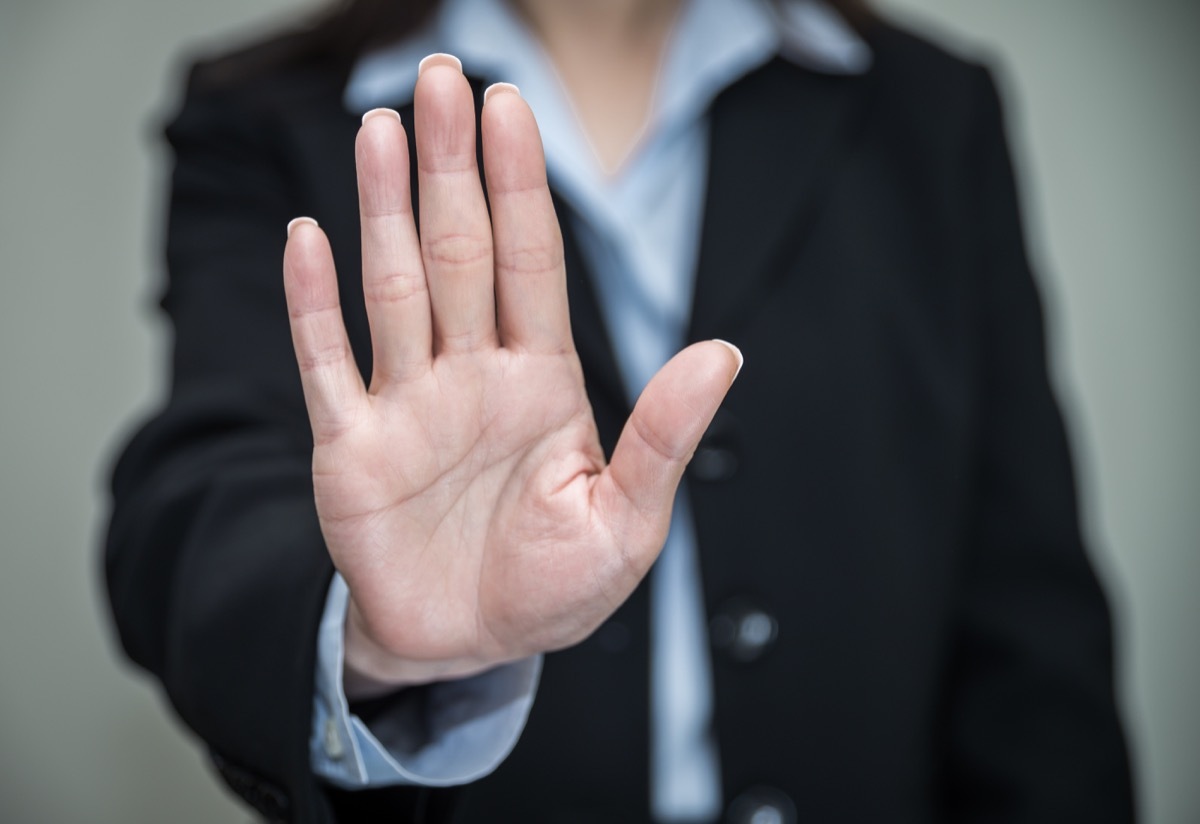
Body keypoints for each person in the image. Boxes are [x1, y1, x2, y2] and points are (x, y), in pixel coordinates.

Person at [103, 0, 1136, 821]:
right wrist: (367, 630)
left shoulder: (927, 110)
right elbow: (199, 500)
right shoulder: (266, 114)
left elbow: (1026, 613)